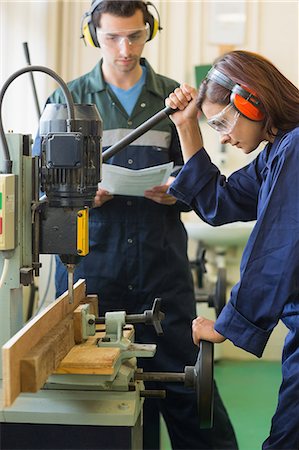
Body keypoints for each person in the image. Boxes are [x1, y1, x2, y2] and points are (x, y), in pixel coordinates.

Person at [36, 1, 238, 449]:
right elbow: (40, 195)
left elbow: (201, 181)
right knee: (104, 408)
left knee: (194, 402)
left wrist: (178, 190)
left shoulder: (175, 100)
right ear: (93, 35)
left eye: (135, 35)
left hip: (163, 274)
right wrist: (82, 198)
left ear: (150, 30)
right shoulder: (65, 102)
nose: (125, 48)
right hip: (91, 276)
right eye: (112, 37)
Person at [165, 50, 299, 450]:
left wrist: (225, 324)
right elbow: (218, 202)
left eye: (223, 122)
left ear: (251, 101)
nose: (222, 135)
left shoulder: (295, 149)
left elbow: (277, 247)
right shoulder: (277, 152)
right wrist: (187, 126)